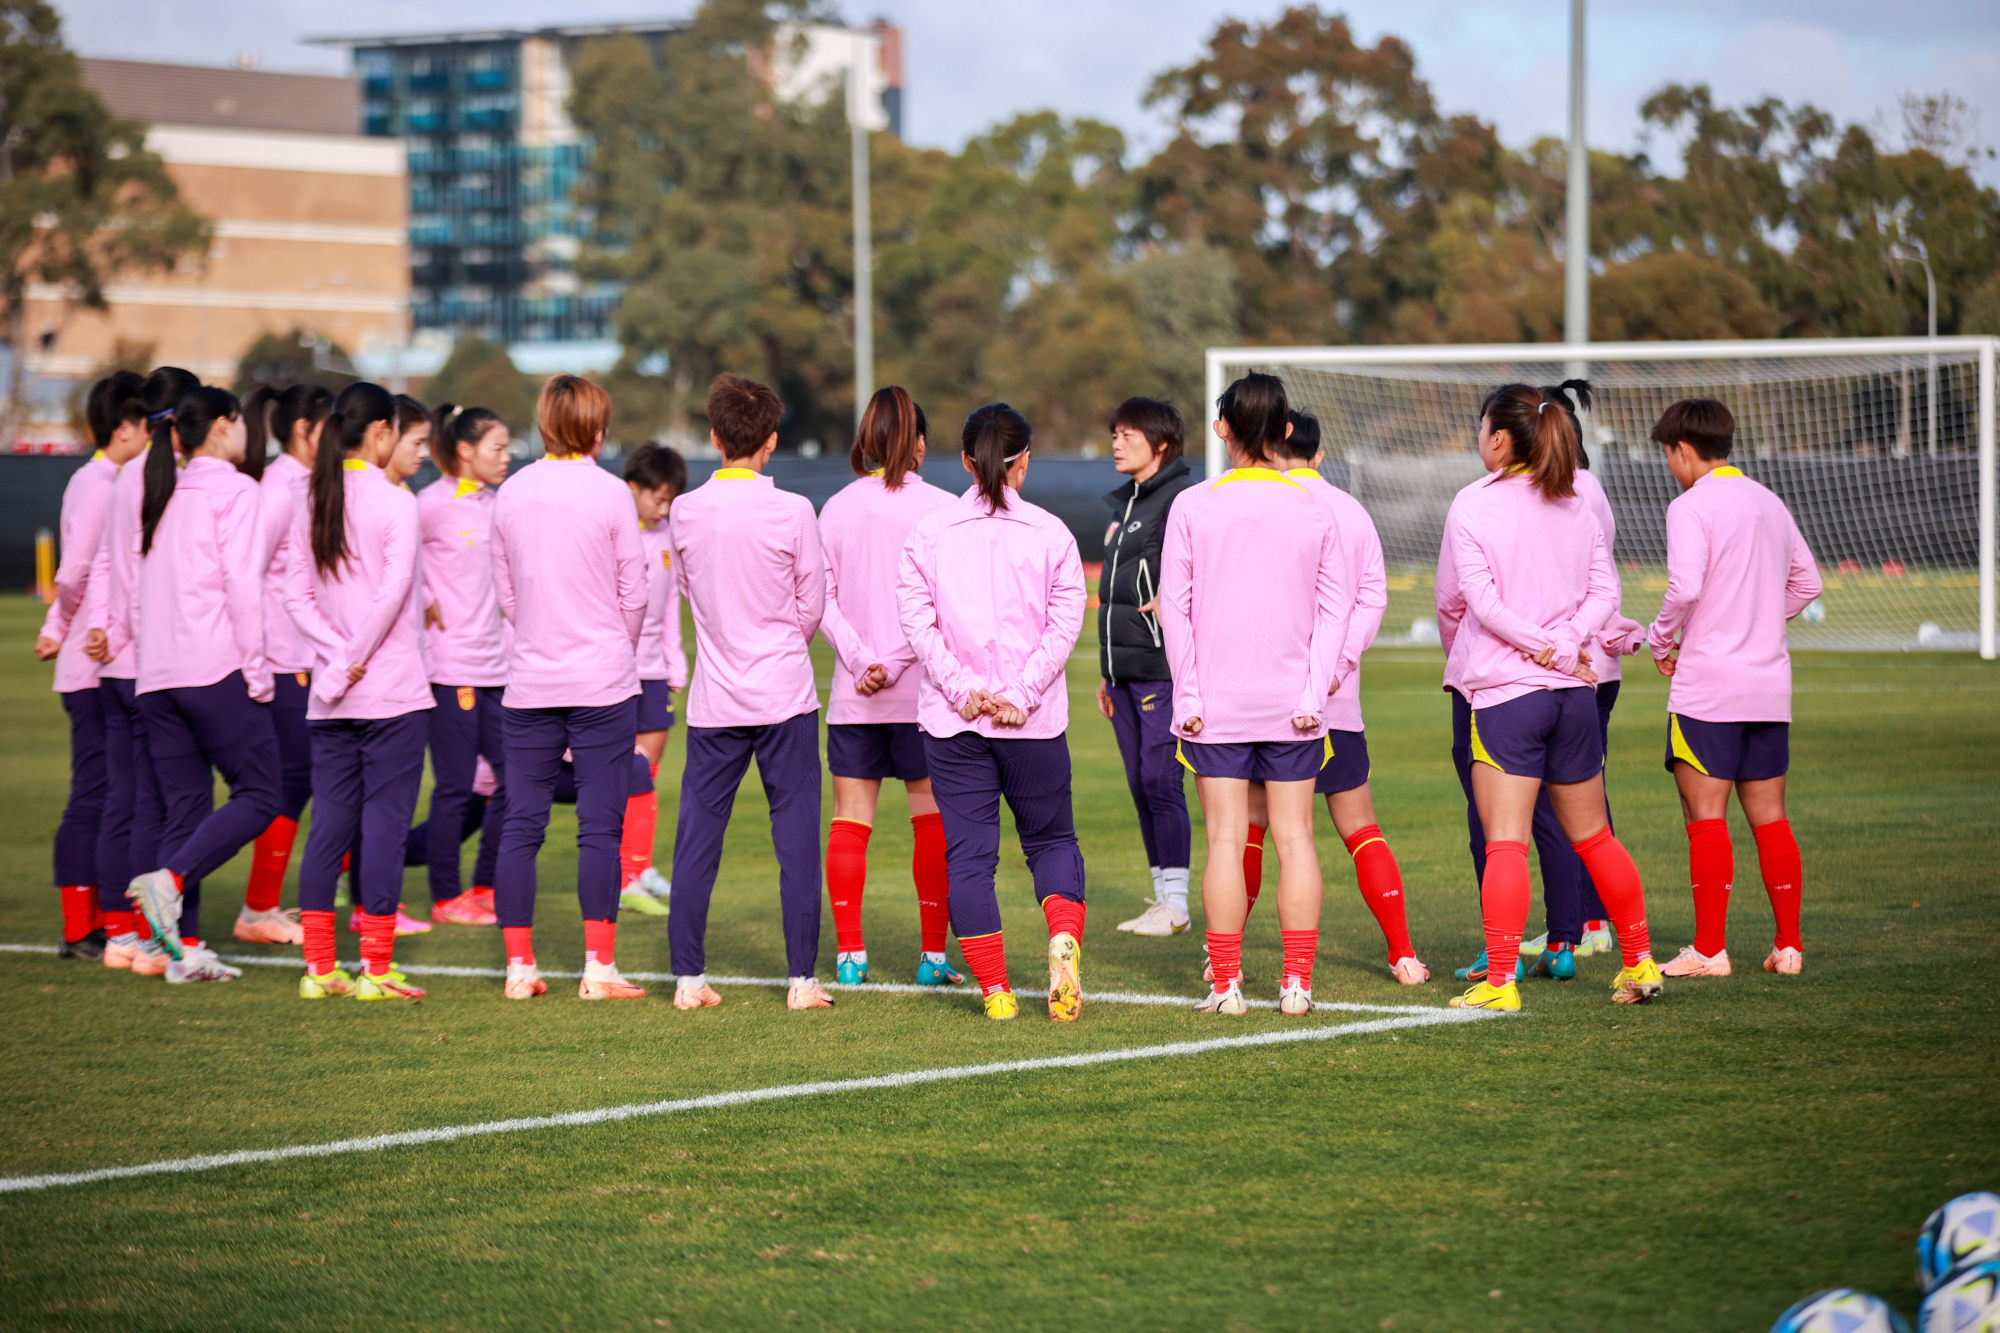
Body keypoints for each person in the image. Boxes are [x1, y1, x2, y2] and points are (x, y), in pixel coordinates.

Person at [1434, 381, 1662, 1012]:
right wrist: (1566, 643)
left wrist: (1543, 644)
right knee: (1594, 836)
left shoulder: (1474, 504)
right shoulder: (1575, 502)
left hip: (1510, 694)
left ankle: (1501, 982)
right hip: (1574, 695)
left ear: (1499, 438)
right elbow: (1603, 594)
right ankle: (1640, 963)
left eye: (1481, 429)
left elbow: (1481, 602)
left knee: (1505, 840)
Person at [1159, 373, 1350, 1017]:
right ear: (1286, 430)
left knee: (1223, 841)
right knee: (1296, 839)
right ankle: (1296, 985)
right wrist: (1314, 692)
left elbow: (1174, 612)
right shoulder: (1316, 506)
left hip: (1215, 704)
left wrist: (1188, 696)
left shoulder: (1194, 505)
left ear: (1222, 430)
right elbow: (1336, 612)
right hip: (1293, 704)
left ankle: (1228, 986)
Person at [895, 402, 1087, 1021]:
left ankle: (997, 993)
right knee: (1052, 839)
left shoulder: (930, 531)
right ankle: (1062, 940)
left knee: (970, 857)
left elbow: (917, 623)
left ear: (964, 461)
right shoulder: (1052, 533)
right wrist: (1021, 694)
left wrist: (962, 690)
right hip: (1030, 723)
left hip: (955, 724)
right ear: (1023, 461)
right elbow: (1064, 627)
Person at [667, 374, 832, 1012]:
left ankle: (688, 980)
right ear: (770, 442)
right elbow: (812, 605)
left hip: (717, 696)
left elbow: (688, 590)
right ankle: (801, 982)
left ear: (714, 437)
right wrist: (775, 641)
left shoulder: (685, 509)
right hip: (784, 693)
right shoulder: (792, 510)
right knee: (795, 839)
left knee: (698, 840)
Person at [1646, 397, 1821, 978]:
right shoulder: (1769, 501)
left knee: (1705, 814)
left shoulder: (1690, 506)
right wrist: (1761, 618)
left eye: (1669, 455)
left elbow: (1686, 586)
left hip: (1710, 686)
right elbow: (1808, 583)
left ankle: (1709, 949)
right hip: (1769, 683)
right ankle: (1788, 946)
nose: (1671, 466)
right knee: (1771, 816)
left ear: (1684, 450)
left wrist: (1662, 637)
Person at [114, 384, 282, 983]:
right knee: (263, 793)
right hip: (211, 667)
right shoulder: (236, 489)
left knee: (185, 807)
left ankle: (177, 952)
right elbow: (242, 584)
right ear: (223, 424)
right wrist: (257, 672)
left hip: (156, 675)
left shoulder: (166, 491)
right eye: (241, 423)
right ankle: (171, 884)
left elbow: (138, 592)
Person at [490, 374, 650, 1001]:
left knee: (521, 825)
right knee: (599, 829)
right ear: (596, 427)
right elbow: (633, 594)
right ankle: (598, 968)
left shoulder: (512, 491)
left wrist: (541, 632)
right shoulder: (611, 494)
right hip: (602, 680)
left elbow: (506, 593)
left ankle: (519, 966)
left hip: (531, 677)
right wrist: (614, 646)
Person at [283, 383, 434, 1000]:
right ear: (380, 432)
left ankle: (320, 970)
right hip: (390, 690)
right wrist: (353, 658)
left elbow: (294, 596)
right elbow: (393, 593)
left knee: (330, 826)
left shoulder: (313, 496)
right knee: (385, 826)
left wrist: (335, 657)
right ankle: (375, 969)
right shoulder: (395, 503)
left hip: (331, 695)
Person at [1268, 410, 1429, 985]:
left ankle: (1225, 963)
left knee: (1254, 830)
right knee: (1360, 827)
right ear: (1317, 453)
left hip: (1268, 704)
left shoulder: (1263, 507)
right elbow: (1373, 599)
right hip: (1337, 703)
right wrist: (1339, 664)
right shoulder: (1352, 510)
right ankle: (1404, 952)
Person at [817, 385, 959, 986]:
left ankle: (850, 957)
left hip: (857, 693)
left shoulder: (836, 506)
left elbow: (818, 598)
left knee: (851, 819)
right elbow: (945, 606)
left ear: (866, 439)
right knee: (932, 821)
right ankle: (932, 959)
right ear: (920, 444)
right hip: (924, 693)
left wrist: (860, 660)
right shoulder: (946, 507)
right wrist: (898, 661)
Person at [85, 366, 195, 978]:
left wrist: (103, 626)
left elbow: (107, 564)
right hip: (160, 662)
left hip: (125, 661)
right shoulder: (180, 479)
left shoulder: (128, 476)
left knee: (130, 800)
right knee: (167, 802)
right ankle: (156, 938)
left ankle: (121, 934)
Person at [35, 371, 148, 960]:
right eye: (147, 424)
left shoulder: (120, 478)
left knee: (115, 795)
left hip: (106, 656)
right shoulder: (98, 483)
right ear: (124, 427)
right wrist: (63, 626)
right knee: (96, 795)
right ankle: (81, 926)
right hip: (92, 663)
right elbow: (74, 572)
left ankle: (106, 920)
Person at [234, 382, 333, 948]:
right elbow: (248, 574)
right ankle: (257, 908)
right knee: (290, 781)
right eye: (329, 426)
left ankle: (267, 904)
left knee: (302, 782)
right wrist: (255, 662)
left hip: (304, 656)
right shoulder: (277, 490)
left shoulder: (305, 484)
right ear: (303, 429)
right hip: (280, 657)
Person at [1096, 397, 1198, 940]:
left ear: (1160, 444)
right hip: (1124, 674)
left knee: (1161, 779)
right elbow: (1116, 596)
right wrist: (1107, 673)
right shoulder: (1128, 503)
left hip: (1163, 667)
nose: (1116, 443)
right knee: (1141, 783)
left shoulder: (1179, 499)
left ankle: (1177, 902)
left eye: (1129, 434)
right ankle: (1163, 899)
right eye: (1115, 433)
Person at [414, 403, 513, 928]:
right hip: (450, 668)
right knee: (455, 785)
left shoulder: (497, 505)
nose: (506, 456)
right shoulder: (429, 504)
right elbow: (393, 559)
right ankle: (446, 894)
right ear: (464, 451)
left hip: (496, 668)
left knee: (512, 778)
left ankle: (486, 886)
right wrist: (426, 593)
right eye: (497, 448)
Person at [616, 441, 689, 918]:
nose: (663, 508)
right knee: (625, 774)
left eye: (669, 500)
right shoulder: (613, 532)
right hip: (617, 672)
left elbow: (668, 606)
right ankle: (623, 877)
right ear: (633, 489)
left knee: (650, 773)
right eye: (657, 498)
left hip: (655, 672)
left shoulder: (666, 536)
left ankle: (640, 869)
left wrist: (674, 661)